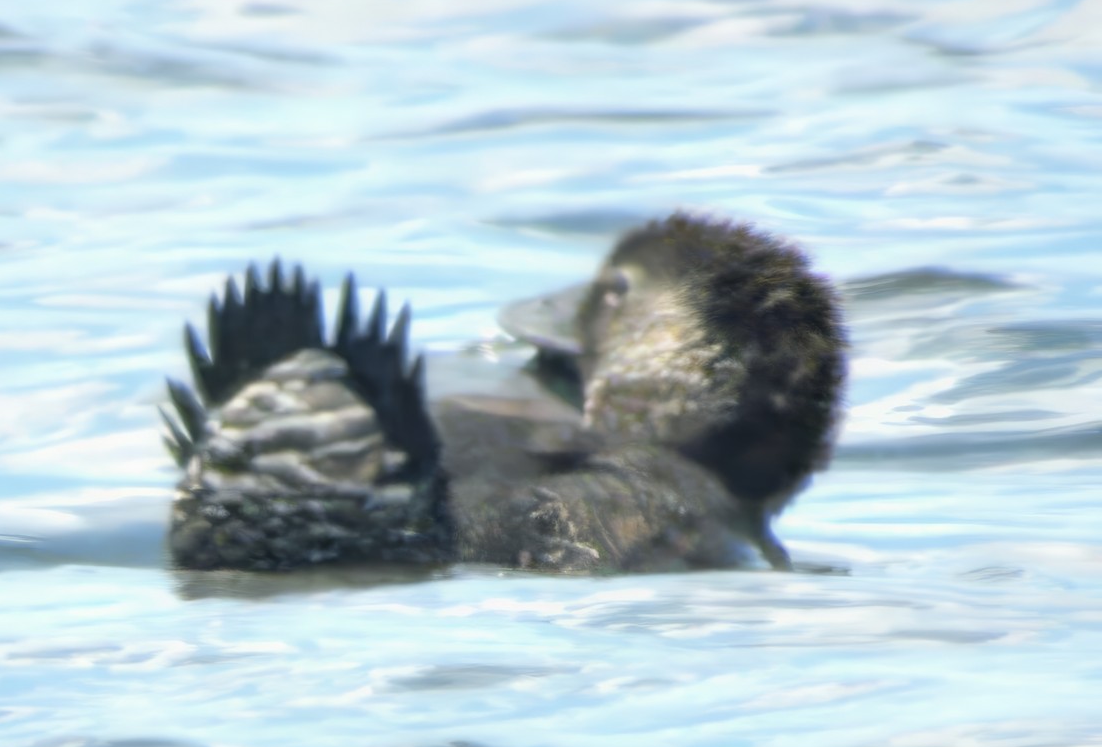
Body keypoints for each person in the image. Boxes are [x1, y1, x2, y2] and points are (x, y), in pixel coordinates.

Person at [162, 212, 847, 573]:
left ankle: (303, 458)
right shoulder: (709, 521)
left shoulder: (658, 490)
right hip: (428, 532)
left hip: (353, 504)